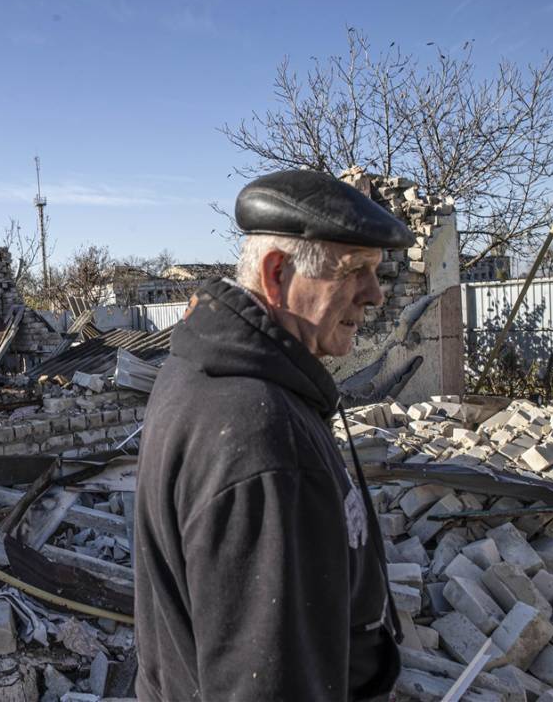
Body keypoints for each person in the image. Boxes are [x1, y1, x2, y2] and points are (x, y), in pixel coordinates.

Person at [134, 169, 413, 702]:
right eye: (354, 270)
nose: (375, 295)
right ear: (277, 272)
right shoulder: (265, 442)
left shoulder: (203, 373)